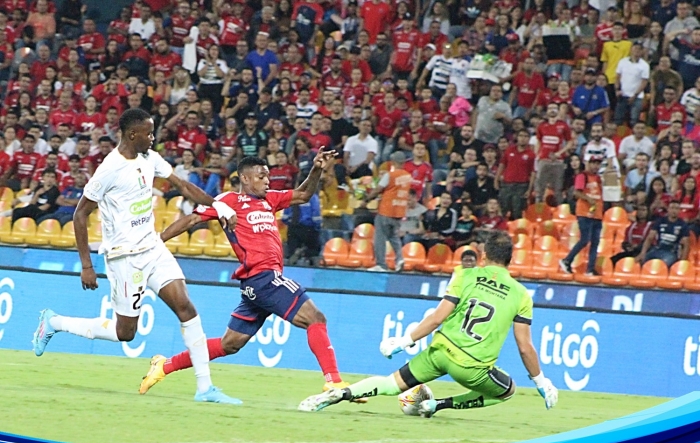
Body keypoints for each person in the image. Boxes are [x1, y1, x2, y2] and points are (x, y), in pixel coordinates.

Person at [31, 108, 241, 405]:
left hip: (152, 247)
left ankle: (205, 388)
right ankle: (55, 322)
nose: (153, 138)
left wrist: (218, 206)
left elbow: (183, 185)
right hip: (124, 258)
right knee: (125, 332)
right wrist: (87, 265)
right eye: (149, 133)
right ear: (132, 134)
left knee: (186, 308)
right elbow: (80, 215)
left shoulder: (150, 158)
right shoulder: (109, 169)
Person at [139, 149, 362, 401]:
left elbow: (303, 194)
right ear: (245, 178)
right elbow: (191, 220)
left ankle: (165, 365)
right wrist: (157, 241)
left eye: (268, 176)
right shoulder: (228, 201)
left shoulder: (270, 199)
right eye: (261, 176)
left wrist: (316, 169)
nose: (267, 181)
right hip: (263, 278)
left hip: (256, 285)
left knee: (230, 344)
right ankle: (333, 381)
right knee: (315, 318)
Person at [297, 231, 559, 416]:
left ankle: (341, 393)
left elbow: (437, 318)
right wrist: (541, 381)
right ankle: (439, 405)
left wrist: (403, 342)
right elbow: (524, 347)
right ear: (510, 259)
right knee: (507, 391)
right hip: (472, 367)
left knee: (391, 384)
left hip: (440, 353)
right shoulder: (521, 295)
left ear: (484, 255)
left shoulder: (465, 275)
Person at [363, 151, 412, 272]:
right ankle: (399, 259)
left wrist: (367, 199)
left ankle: (381, 264)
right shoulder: (407, 176)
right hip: (399, 211)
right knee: (394, 237)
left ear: (393, 162)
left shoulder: (390, 175)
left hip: (386, 210)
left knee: (380, 238)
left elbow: (378, 189)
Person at [559, 155, 605, 276]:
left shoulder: (598, 178)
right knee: (585, 239)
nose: (596, 166)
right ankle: (567, 260)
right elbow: (577, 192)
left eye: (598, 163)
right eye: (594, 163)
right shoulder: (582, 176)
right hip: (585, 213)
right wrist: (588, 199)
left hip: (597, 213)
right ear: (588, 164)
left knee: (595, 242)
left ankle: (590, 269)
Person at [637, 200, 690, 266]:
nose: (674, 211)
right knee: (642, 262)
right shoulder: (660, 221)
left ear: (679, 210)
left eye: (676, 208)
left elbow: (686, 245)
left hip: (671, 252)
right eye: (672, 208)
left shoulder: (683, 225)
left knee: (663, 265)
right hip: (657, 249)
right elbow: (649, 238)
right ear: (668, 209)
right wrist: (642, 253)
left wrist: (682, 262)